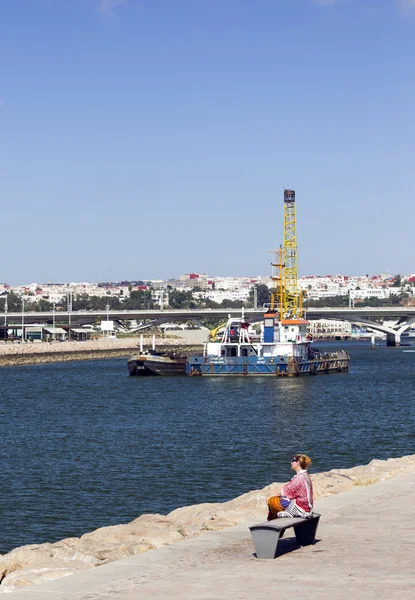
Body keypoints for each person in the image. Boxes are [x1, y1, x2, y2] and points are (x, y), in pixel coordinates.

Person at [267, 454, 313, 520]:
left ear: (298, 463)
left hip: (300, 507)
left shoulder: (299, 477)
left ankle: (273, 523)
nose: (291, 463)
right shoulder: (305, 475)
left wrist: (270, 496)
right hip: (306, 506)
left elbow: (285, 491)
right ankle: (275, 521)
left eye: (293, 461)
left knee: (271, 501)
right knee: (279, 501)